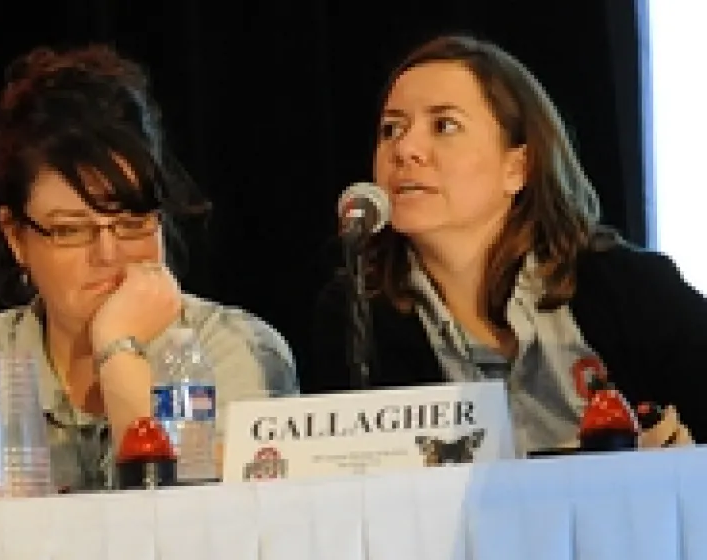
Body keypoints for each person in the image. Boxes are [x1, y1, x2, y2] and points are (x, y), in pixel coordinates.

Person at [0, 45, 298, 497]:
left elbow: (200, 531)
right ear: (17, 237)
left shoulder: (232, 348)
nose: (109, 253)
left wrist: (118, 350)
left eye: (132, 223)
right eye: (72, 230)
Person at [303, 34, 707, 452]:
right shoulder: (355, 311)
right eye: (391, 129)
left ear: (518, 167)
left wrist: (683, 460)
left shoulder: (628, 285)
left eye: (444, 126)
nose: (404, 149)